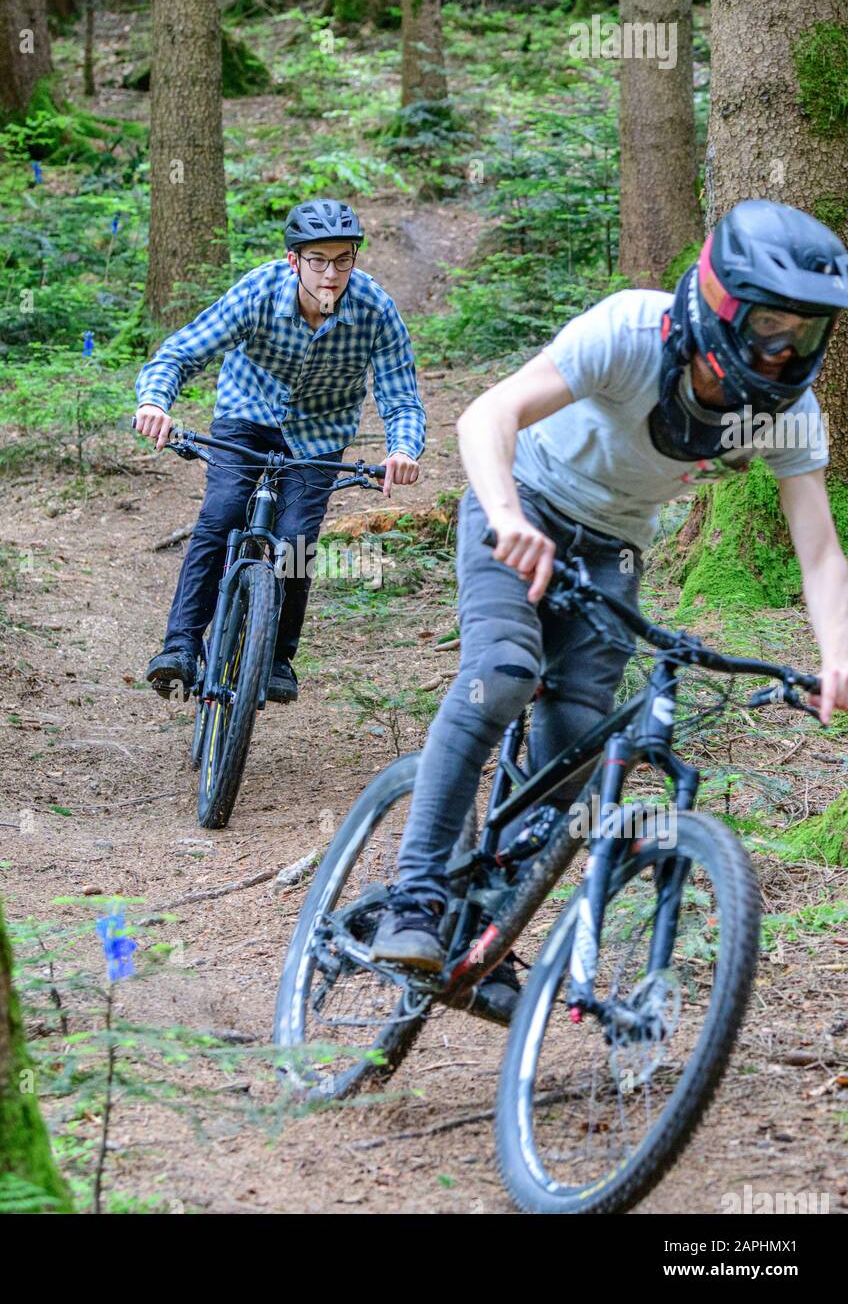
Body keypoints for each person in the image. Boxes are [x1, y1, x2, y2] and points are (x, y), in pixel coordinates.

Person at [371, 198, 848, 1019]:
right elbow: (489, 414)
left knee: (580, 735)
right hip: (518, 499)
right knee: (503, 671)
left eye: (803, 334)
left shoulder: (785, 414)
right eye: (770, 323)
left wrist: (837, 654)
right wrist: (510, 516)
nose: (781, 350)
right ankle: (414, 899)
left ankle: (485, 926)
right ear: (721, 303)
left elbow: (819, 550)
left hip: (613, 542)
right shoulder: (631, 332)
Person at [135, 199, 426, 704]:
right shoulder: (259, 292)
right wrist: (155, 402)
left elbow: (400, 396)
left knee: (294, 543)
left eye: (342, 260)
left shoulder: (375, 309)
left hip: (320, 434)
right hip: (246, 417)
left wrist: (403, 449)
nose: (331, 274)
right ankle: (180, 646)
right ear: (295, 261)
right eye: (318, 260)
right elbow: (183, 351)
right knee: (222, 513)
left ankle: (276, 659)